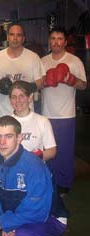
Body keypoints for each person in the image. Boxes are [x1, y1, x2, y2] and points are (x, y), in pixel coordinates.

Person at [0, 115, 65, 236]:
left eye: (8, 136)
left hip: (50, 218)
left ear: (19, 138)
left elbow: (38, 211)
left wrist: (2, 223)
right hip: (20, 216)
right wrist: (6, 223)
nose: (2, 142)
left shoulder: (34, 166)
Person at [41, 27, 87, 194]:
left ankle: (64, 184)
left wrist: (69, 79)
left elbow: (83, 85)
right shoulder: (43, 61)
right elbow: (38, 84)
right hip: (46, 114)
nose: (56, 42)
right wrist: (45, 82)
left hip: (66, 114)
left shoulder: (74, 61)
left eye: (60, 38)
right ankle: (49, 182)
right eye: (53, 38)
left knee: (65, 151)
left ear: (65, 42)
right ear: (49, 41)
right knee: (48, 150)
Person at [0, 24, 45, 119]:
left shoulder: (33, 57)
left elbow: (42, 81)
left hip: (27, 114)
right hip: (4, 114)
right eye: (12, 34)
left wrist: (29, 87)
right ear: (8, 37)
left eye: (18, 35)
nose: (15, 38)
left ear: (23, 38)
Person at [9, 80, 56, 161]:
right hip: (12, 170)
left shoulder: (42, 121)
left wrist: (34, 158)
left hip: (35, 170)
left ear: (30, 97)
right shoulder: (6, 122)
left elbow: (52, 150)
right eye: (14, 97)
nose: (17, 100)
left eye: (21, 96)